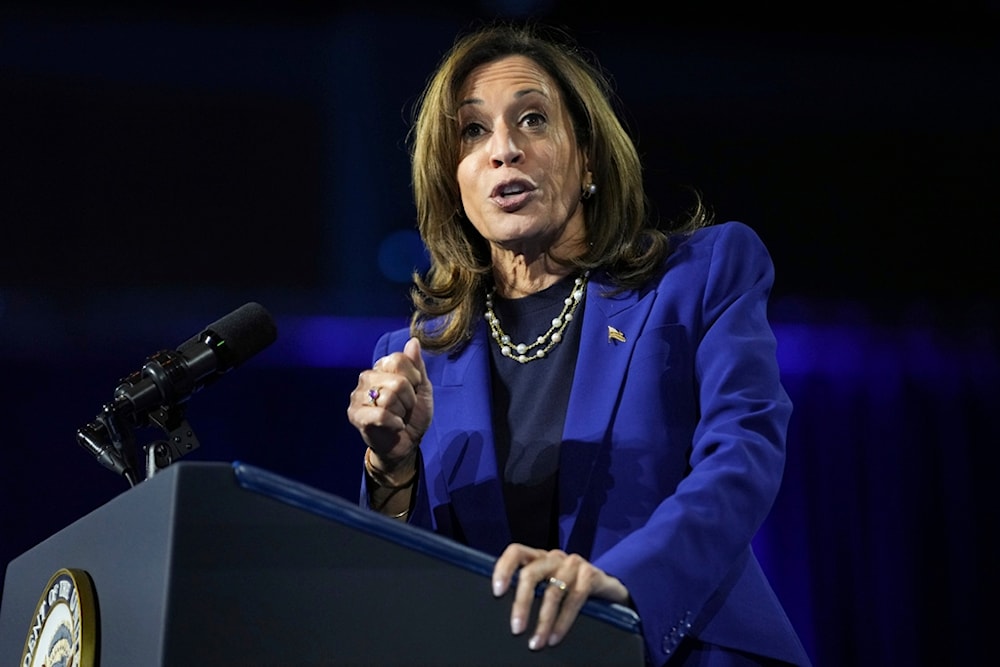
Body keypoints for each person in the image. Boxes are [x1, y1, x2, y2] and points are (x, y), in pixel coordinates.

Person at [346, 21, 811, 667]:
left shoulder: (701, 275)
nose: (503, 149)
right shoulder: (418, 355)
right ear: (452, 180)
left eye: (532, 120)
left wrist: (622, 582)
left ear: (588, 155)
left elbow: (744, 453)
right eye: (473, 131)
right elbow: (407, 590)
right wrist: (392, 470)